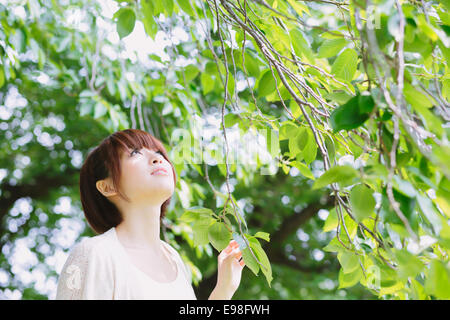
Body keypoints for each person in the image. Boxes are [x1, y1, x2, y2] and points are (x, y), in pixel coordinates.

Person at [55, 129, 245, 299]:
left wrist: (223, 290)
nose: (158, 158)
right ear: (107, 186)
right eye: (135, 153)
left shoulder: (173, 259)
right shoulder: (96, 254)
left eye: (158, 152)